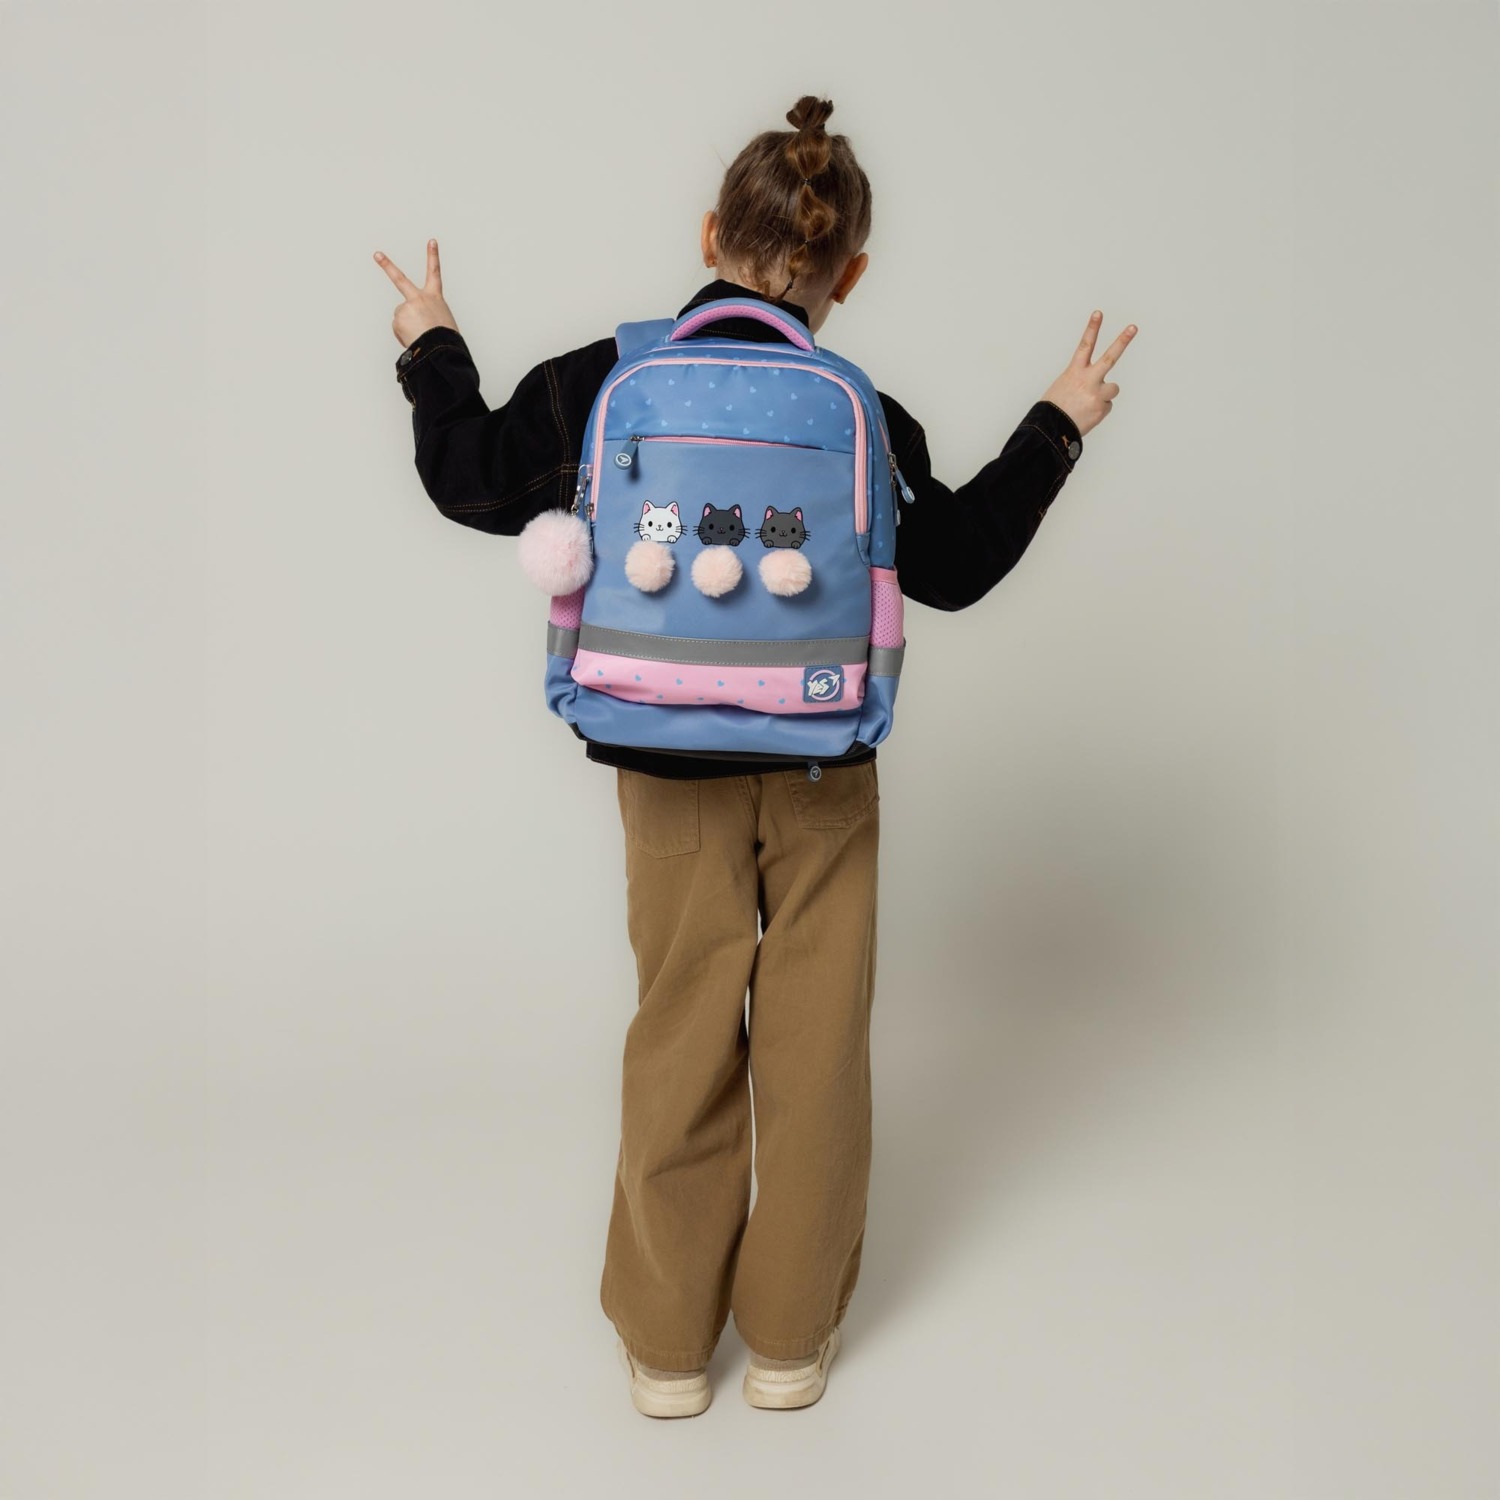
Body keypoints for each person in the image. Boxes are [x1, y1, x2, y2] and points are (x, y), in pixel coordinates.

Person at [374, 94, 1135, 1418]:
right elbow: (955, 565)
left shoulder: (601, 381)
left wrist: (432, 343)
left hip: (661, 759)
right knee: (816, 1047)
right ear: (852, 274)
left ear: (708, 232)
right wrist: (1056, 423)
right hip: (824, 760)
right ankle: (787, 1341)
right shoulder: (863, 411)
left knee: (681, 1030)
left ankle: (670, 1348)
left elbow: (464, 476)